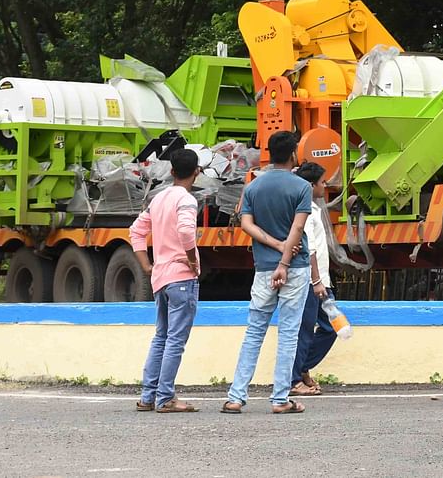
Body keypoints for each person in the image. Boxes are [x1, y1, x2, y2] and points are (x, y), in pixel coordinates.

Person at [223, 131, 313, 415]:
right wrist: (284, 260)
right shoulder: (301, 187)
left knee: (254, 332)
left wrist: (273, 246)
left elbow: (246, 224)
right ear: (293, 154)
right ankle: (279, 399)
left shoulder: (253, 187)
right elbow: (297, 229)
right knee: (288, 333)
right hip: (294, 269)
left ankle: (236, 397)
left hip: (262, 268)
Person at [130, 149, 203, 413]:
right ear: (197, 171)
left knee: (161, 337)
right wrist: (193, 260)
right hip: (181, 278)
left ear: (172, 171)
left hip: (160, 278)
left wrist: (147, 265)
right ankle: (165, 397)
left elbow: (136, 232)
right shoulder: (186, 199)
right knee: (175, 340)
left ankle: (148, 396)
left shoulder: (159, 199)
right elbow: (185, 230)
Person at [289, 162, 336, 397]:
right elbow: (311, 250)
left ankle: (301, 368)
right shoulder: (305, 212)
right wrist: (317, 281)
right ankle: (294, 378)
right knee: (307, 329)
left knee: (331, 326)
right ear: (310, 185)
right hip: (311, 282)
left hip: (320, 281)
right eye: (322, 182)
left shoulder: (313, 209)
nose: (325, 186)